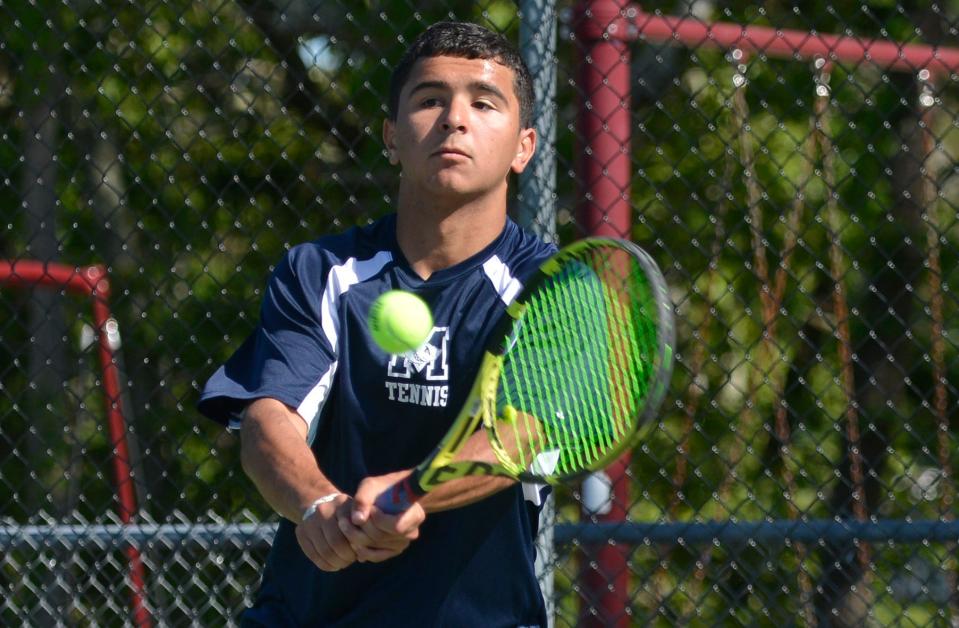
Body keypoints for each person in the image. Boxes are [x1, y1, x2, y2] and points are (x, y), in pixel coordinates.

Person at [199, 20, 556, 627]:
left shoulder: (553, 286)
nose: (454, 118)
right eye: (429, 99)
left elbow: (524, 433)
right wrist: (318, 506)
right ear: (392, 136)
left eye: (483, 101)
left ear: (524, 148)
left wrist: (411, 492)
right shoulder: (320, 271)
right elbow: (269, 419)